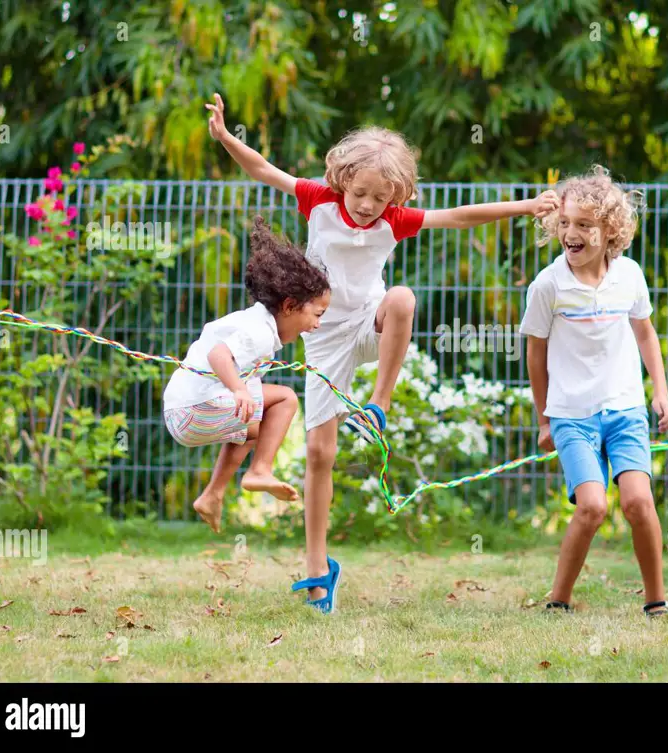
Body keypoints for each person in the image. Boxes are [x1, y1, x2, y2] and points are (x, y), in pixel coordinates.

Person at [205, 93, 559, 612]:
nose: (368, 205)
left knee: (403, 298)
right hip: (323, 333)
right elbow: (262, 169)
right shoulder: (317, 198)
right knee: (320, 454)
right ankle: (318, 571)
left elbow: (460, 217)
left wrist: (526, 206)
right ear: (343, 179)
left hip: (371, 324)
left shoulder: (395, 220)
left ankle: (379, 406)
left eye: (380, 196)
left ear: (395, 195)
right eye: (361, 192)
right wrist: (225, 136)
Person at [519, 164, 668, 618]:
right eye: (565, 223)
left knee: (638, 502)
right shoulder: (547, 286)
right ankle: (559, 599)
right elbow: (536, 356)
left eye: (585, 225)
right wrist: (545, 418)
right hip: (572, 414)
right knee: (591, 507)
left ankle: (656, 601)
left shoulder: (628, 275)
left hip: (626, 409)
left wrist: (660, 393)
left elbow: (646, 334)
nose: (572, 233)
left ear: (610, 231)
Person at [163, 216, 331, 534]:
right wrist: (239, 390)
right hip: (192, 410)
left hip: (184, 409)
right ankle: (259, 471)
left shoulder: (259, 323)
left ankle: (213, 495)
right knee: (282, 401)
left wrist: (243, 391)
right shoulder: (259, 332)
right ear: (291, 306)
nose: (317, 324)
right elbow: (218, 355)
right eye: (317, 314)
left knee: (257, 417)